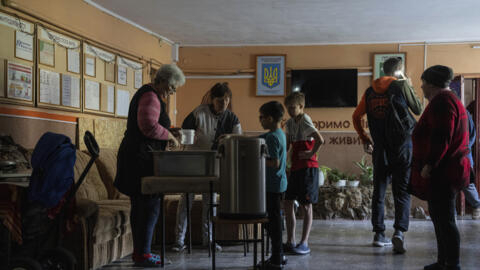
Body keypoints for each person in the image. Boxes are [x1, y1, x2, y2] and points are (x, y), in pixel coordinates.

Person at [114, 64, 185, 267]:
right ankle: (143, 254)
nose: (172, 92)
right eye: (172, 87)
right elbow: (148, 126)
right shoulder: (151, 96)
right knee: (148, 206)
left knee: (143, 206)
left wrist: (171, 132)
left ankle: (141, 253)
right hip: (139, 159)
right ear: (162, 80)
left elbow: (154, 125)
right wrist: (170, 135)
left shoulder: (150, 95)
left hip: (138, 157)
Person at [352, 57, 423, 253]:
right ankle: (399, 232)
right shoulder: (401, 86)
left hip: (380, 149)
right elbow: (418, 108)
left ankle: (378, 234)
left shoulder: (370, 91)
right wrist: (408, 84)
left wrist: (365, 139)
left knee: (379, 192)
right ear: (399, 71)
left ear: (383, 70)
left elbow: (356, 116)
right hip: (401, 148)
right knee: (402, 192)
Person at [411, 65, 470, 270]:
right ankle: (443, 261)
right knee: (439, 218)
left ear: (431, 84)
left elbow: (441, 137)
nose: (421, 86)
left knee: (445, 220)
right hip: (447, 170)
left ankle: (452, 264)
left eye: (423, 82)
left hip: (443, 172)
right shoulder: (450, 100)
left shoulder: (442, 102)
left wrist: (429, 164)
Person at [173, 82, 242, 252]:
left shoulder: (232, 118)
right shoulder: (199, 112)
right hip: (193, 161)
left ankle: (208, 240)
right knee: (186, 201)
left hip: (214, 164)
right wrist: (189, 136)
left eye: (226, 100)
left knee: (209, 202)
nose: (223, 104)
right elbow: (184, 133)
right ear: (212, 100)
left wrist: (229, 137)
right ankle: (179, 241)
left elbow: (239, 140)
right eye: (220, 101)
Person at [283, 92, 324, 255]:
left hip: (308, 168)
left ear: (301, 107)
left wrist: (310, 153)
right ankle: (290, 240)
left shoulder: (305, 119)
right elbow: (287, 146)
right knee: (288, 203)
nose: (290, 111)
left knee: (306, 206)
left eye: (293, 107)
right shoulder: (289, 123)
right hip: (295, 168)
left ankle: (304, 242)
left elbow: (320, 139)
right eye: (288, 108)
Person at [258, 101, 288, 269]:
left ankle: (277, 258)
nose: (259, 120)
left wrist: (258, 160)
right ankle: (279, 255)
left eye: (261, 117)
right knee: (274, 221)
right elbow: (259, 138)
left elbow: (274, 162)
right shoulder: (278, 133)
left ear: (269, 118)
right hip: (279, 184)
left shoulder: (271, 137)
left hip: (272, 185)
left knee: (272, 223)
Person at [464, 103, 480, 219]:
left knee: (467, 183)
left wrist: (465, 148)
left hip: (464, 154)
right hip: (457, 154)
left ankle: (477, 206)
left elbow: (473, 135)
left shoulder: (466, 114)